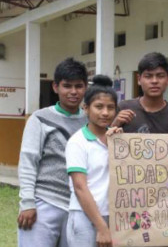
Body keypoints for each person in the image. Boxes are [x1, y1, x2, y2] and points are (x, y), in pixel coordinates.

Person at [17, 58, 88, 247]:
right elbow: (28, 162)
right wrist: (28, 203)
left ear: (85, 88)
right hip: (44, 203)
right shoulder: (40, 119)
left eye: (79, 86)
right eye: (67, 86)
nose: (73, 92)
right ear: (56, 87)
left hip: (79, 207)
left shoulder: (91, 122)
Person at [65, 75, 122, 247]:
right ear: (85, 108)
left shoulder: (117, 139)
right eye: (98, 107)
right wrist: (102, 227)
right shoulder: (78, 142)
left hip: (113, 215)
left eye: (110, 107)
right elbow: (80, 187)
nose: (105, 112)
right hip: (85, 216)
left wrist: (121, 144)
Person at [112, 52, 168, 134]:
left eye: (160, 76)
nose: (154, 81)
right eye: (148, 76)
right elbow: (104, 143)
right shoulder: (123, 109)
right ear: (139, 79)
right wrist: (114, 125)